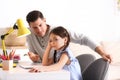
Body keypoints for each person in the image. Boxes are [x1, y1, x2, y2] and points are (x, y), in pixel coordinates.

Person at [26, 10, 112, 63]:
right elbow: (34, 55)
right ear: (30, 27)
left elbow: (84, 39)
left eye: (40, 25)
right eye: (35, 27)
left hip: (61, 69)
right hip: (44, 68)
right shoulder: (29, 34)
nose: (39, 30)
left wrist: (102, 53)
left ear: (44, 20)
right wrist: (34, 58)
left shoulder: (57, 31)